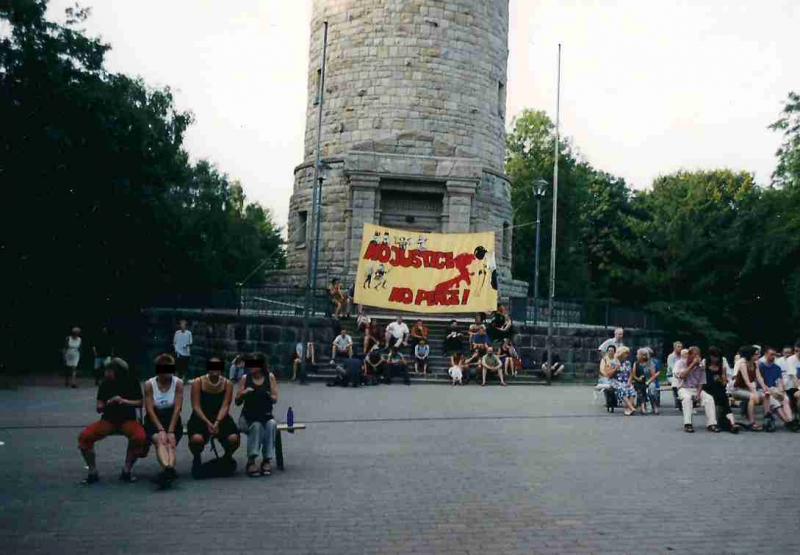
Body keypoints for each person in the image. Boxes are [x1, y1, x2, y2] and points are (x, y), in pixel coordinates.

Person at [78, 357, 146, 484]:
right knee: (85, 437)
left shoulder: (132, 382)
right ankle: (92, 471)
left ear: (116, 371)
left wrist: (123, 401)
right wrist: (106, 404)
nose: (106, 373)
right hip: (108, 420)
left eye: (108, 370)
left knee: (139, 437)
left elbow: (140, 403)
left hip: (127, 420)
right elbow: (99, 407)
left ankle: (127, 470)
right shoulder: (105, 384)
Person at [187, 358, 240, 473]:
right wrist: (207, 422)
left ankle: (227, 457)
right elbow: (196, 406)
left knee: (233, 438)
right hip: (201, 417)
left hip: (221, 418)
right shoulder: (198, 382)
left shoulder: (227, 384)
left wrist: (216, 422)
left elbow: (225, 405)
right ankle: (197, 458)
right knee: (197, 439)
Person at [144, 354, 185, 487]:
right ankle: (169, 469)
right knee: (160, 440)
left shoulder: (178, 383)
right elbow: (149, 409)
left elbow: (177, 408)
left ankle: (168, 471)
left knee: (170, 442)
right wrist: (161, 429)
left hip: (172, 418)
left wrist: (171, 430)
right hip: (154, 419)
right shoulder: (149, 384)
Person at [236, 354, 279, 477]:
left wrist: (269, 396)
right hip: (248, 418)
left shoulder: (269, 377)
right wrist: (244, 393)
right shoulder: (245, 378)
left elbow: (275, 398)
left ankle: (267, 459)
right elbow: (237, 401)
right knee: (256, 426)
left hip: (265, 416)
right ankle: (251, 460)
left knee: (272, 424)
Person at [674, 346, 718, 433]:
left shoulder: (701, 367)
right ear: (689, 355)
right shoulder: (680, 363)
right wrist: (693, 364)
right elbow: (682, 376)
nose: (697, 358)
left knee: (709, 398)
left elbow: (701, 382)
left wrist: (698, 394)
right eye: (695, 355)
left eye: (698, 355)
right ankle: (688, 424)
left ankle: (711, 424)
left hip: (696, 389)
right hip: (684, 388)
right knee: (687, 399)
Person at [759, 347, 798, 431]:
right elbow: (759, 383)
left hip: (775, 389)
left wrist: (782, 391)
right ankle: (788, 422)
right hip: (764, 390)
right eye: (771, 355)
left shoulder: (777, 367)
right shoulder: (760, 367)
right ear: (765, 355)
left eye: (774, 355)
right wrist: (770, 390)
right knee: (775, 402)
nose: (773, 357)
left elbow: (780, 381)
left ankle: (790, 419)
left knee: (785, 399)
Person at [732, 345, 769, 431]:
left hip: (748, 389)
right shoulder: (743, 365)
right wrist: (754, 392)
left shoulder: (755, 364)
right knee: (753, 397)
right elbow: (747, 381)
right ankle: (752, 422)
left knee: (766, 395)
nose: (758, 356)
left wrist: (765, 388)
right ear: (750, 355)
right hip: (738, 389)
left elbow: (759, 377)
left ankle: (767, 418)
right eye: (756, 354)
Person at [612, 346, 637, 416]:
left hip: (626, 381)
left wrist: (629, 381)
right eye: (626, 353)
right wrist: (616, 368)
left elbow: (631, 373)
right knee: (622, 390)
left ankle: (628, 409)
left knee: (632, 391)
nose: (627, 355)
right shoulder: (614, 362)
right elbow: (610, 374)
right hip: (617, 381)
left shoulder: (627, 362)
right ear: (621, 354)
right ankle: (631, 408)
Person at [630, 348, 653, 413]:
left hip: (646, 381)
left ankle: (642, 406)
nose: (637, 356)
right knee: (640, 388)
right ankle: (643, 407)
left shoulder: (649, 364)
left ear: (643, 356)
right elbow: (633, 375)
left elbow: (652, 375)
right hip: (637, 381)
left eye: (638, 354)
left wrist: (648, 381)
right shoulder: (635, 363)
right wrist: (638, 379)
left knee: (642, 388)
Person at [784, 342, 800, 416]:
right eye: (796, 351)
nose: (797, 353)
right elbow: (794, 377)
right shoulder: (790, 360)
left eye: (799, 351)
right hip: (792, 387)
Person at [666, 341, 683, 410]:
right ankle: (678, 402)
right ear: (674, 348)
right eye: (678, 347)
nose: (680, 348)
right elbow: (672, 367)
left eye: (681, 347)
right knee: (675, 382)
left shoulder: (683, 355)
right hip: (671, 375)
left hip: (682, 374)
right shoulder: (671, 356)